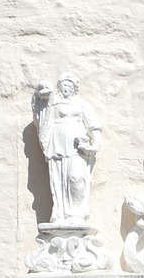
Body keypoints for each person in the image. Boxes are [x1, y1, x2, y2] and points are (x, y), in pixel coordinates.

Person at [33, 73, 101, 225]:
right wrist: (41, 92)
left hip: (77, 147)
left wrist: (94, 145)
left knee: (76, 177)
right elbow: (41, 115)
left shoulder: (82, 104)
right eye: (63, 86)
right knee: (58, 179)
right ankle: (60, 213)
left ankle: (76, 213)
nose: (66, 89)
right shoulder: (53, 103)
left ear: (74, 88)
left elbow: (94, 127)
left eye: (69, 86)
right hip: (57, 143)